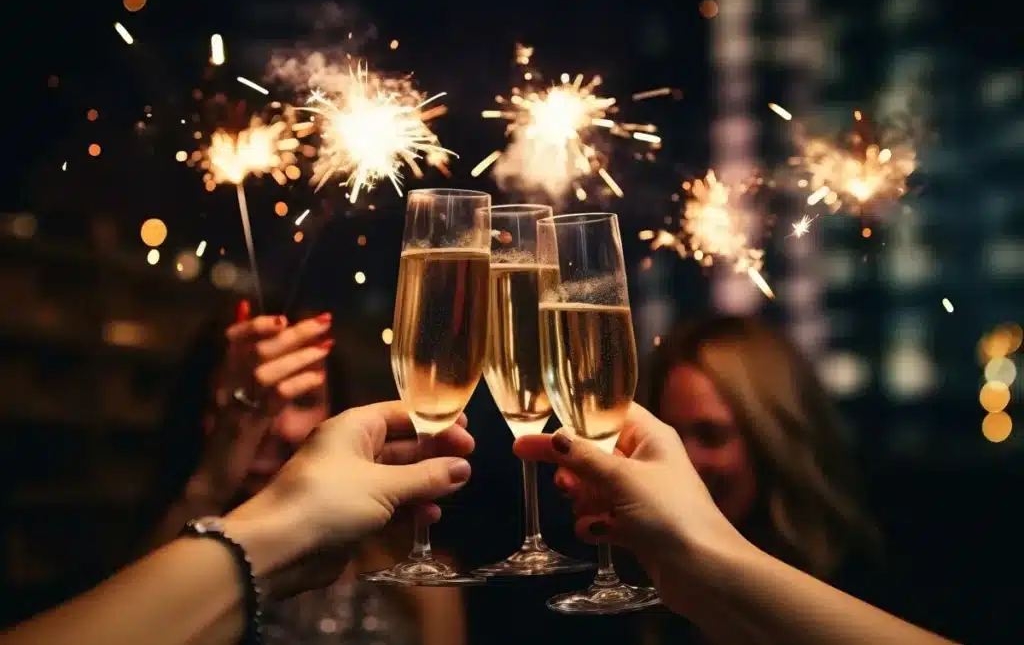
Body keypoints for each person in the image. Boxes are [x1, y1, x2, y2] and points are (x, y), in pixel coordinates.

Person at [0, 401, 475, 645]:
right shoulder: (131, 550)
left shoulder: (413, 582)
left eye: (304, 399)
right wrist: (277, 525)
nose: (280, 427)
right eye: (252, 405)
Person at [147, 300, 465, 645]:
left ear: (338, 413)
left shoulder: (420, 582)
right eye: (250, 402)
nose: (270, 426)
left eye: (301, 400)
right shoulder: (157, 554)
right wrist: (208, 488)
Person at [514, 404, 959, 645]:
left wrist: (703, 553)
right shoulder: (640, 617)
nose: (687, 462)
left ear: (772, 439)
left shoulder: (884, 579)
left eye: (711, 434)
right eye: (677, 435)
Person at [646, 316, 879, 582]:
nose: (682, 464)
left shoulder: (861, 589)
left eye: (712, 436)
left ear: (772, 441)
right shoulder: (650, 585)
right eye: (668, 437)